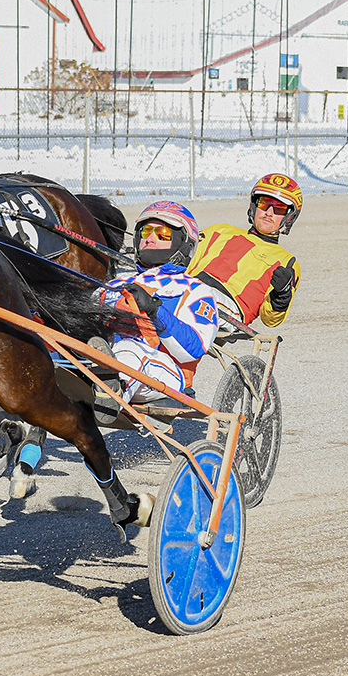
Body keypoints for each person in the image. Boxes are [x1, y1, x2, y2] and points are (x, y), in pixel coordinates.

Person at [11, 201, 219, 496]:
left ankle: (112, 384)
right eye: (145, 231)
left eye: (161, 233)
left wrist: (156, 311)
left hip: (164, 371)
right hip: (101, 355)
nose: (149, 238)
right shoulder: (120, 281)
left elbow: (194, 348)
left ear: (183, 243)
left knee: (129, 352)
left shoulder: (195, 290)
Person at [186, 173, 302, 328]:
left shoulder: (286, 262)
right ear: (254, 206)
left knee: (192, 297)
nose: (269, 212)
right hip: (188, 288)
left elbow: (270, 319)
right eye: (264, 204)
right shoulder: (220, 231)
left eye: (279, 209)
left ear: (289, 217)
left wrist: (281, 294)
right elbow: (184, 261)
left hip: (227, 309)